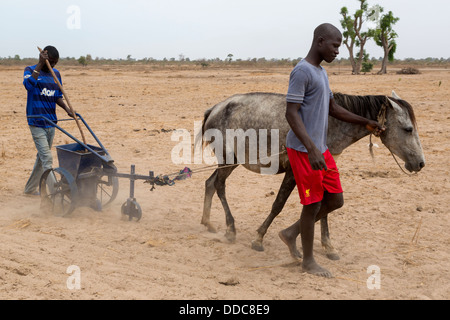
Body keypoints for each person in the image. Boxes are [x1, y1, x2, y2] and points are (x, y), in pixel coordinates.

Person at [279, 23, 384, 278]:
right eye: (335, 46)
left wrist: (364, 122)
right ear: (320, 41)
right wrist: (311, 149)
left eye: (339, 46)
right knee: (312, 204)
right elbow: (291, 113)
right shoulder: (302, 71)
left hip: (319, 148)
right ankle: (309, 261)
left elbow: (333, 109)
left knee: (335, 200)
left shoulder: (322, 73)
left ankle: (291, 233)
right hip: (304, 151)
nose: (338, 51)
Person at [23, 46, 73, 196]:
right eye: (50, 62)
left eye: (55, 63)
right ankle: (54, 194)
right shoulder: (30, 70)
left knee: (41, 158)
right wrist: (39, 64)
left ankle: (29, 189)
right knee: (47, 158)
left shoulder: (56, 74)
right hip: (36, 121)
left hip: (51, 122)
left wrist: (66, 109)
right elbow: (28, 86)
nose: (53, 66)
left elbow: (57, 95)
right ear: (43, 58)